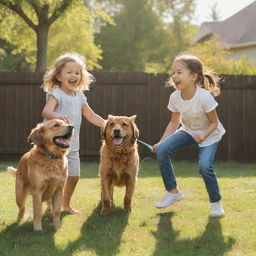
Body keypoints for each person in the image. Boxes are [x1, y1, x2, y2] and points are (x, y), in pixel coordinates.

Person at [152, 53, 225, 217]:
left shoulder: (204, 97)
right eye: (173, 73)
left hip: (210, 134)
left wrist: (203, 135)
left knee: (205, 167)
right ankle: (173, 192)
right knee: (163, 150)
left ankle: (216, 204)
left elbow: (214, 123)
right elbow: (173, 123)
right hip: (188, 131)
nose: (175, 76)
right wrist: (161, 142)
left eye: (179, 72)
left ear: (193, 76)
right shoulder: (174, 97)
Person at [42, 52, 105, 214]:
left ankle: (65, 204)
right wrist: (57, 116)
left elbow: (90, 115)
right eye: (69, 72)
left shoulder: (80, 97)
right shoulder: (56, 94)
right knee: (52, 177)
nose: (73, 75)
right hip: (52, 146)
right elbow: (46, 112)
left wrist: (106, 124)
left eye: (77, 73)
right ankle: (50, 203)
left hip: (71, 145)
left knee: (74, 175)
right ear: (59, 75)